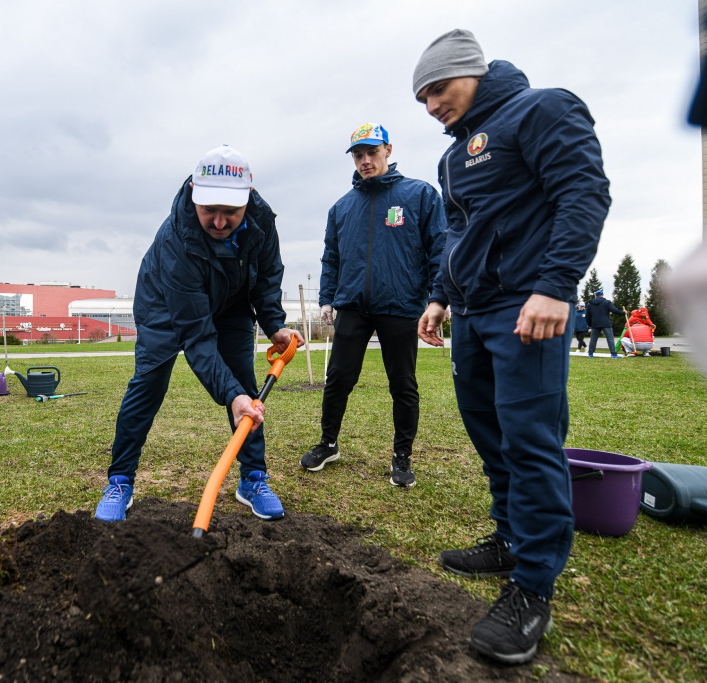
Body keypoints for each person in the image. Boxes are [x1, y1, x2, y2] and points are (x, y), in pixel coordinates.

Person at [413, 29, 611, 664]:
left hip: (530, 306)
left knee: (529, 438)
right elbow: (458, 233)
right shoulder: (451, 158)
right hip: (470, 312)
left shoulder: (543, 107)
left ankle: (532, 587)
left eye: (438, 89)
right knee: (488, 432)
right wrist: (441, 297)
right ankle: (508, 539)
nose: (432, 105)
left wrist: (556, 286)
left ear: (471, 72)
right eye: (422, 98)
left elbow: (583, 192)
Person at [94, 145, 304, 523]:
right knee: (149, 384)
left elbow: (268, 274)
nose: (221, 222)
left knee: (244, 383)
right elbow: (197, 337)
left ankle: (253, 478)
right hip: (166, 305)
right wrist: (230, 396)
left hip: (232, 300)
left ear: (249, 198)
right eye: (210, 210)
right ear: (193, 192)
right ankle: (120, 480)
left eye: (231, 212)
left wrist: (274, 324)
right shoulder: (176, 242)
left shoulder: (262, 221)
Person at [300, 122, 445, 487]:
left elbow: (440, 250)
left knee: (403, 383)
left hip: (400, 305)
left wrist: (437, 299)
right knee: (338, 379)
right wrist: (327, 299)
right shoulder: (342, 207)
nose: (365, 161)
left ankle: (402, 457)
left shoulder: (420, 195)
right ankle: (328, 443)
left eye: (372, 153)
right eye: (358, 155)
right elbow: (330, 257)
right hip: (352, 306)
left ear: (388, 151)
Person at [585, 289, 625, 358]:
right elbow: (614, 310)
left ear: (596, 296)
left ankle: (590, 353)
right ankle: (613, 354)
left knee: (593, 339)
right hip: (606, 323)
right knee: (610, 339)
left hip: (595, 323)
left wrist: (590, 325)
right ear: (602, 295)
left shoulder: (590, 304)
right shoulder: (607, 302)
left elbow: (588, 316)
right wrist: (623, 313)